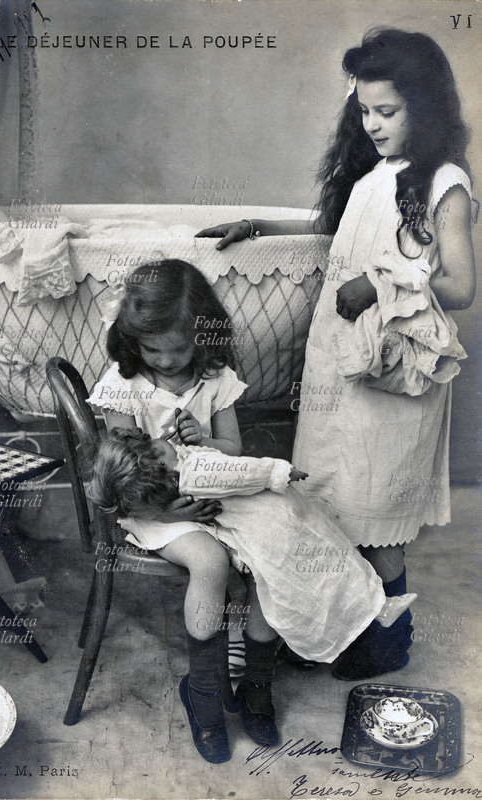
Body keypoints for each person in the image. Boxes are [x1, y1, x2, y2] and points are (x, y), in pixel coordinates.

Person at [195, 28, 476, 680]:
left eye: (389, 112)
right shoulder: (378, 174)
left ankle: (387, 642)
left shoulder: (444, 181)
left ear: (425, 107)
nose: (373, 124)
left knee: (379, 515)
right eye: (365, 110)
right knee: (334, 504)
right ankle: (342, 624)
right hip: (342, 371)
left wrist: (378, 282)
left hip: (394, 377)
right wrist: (261, 227)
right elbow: (337, 227)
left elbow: (460, 284)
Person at [89, 258, 283, 763]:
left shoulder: (216, 377)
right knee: (210, 562)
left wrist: (208, 440)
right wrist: (172, 511)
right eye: (153, 350)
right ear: (133, 342)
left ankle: (257, 687)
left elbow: (235, 450)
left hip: (215, 499)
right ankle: (203, 698)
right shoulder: (122, 384)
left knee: (273, 557)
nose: (168, 361)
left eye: (180, 349)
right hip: (154, 510)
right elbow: (120, 471)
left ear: (203, 336)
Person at [90, 427, 416, 664]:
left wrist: (279, 472)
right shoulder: (183, 466)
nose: (163, 441)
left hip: (275, 519)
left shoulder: (192, 470)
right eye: (159, 446)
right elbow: (235, 478)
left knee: (314, 568)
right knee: (319, 564)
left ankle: (369, 610)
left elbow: (238, 470)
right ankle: (369, 609)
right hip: (266, 522)